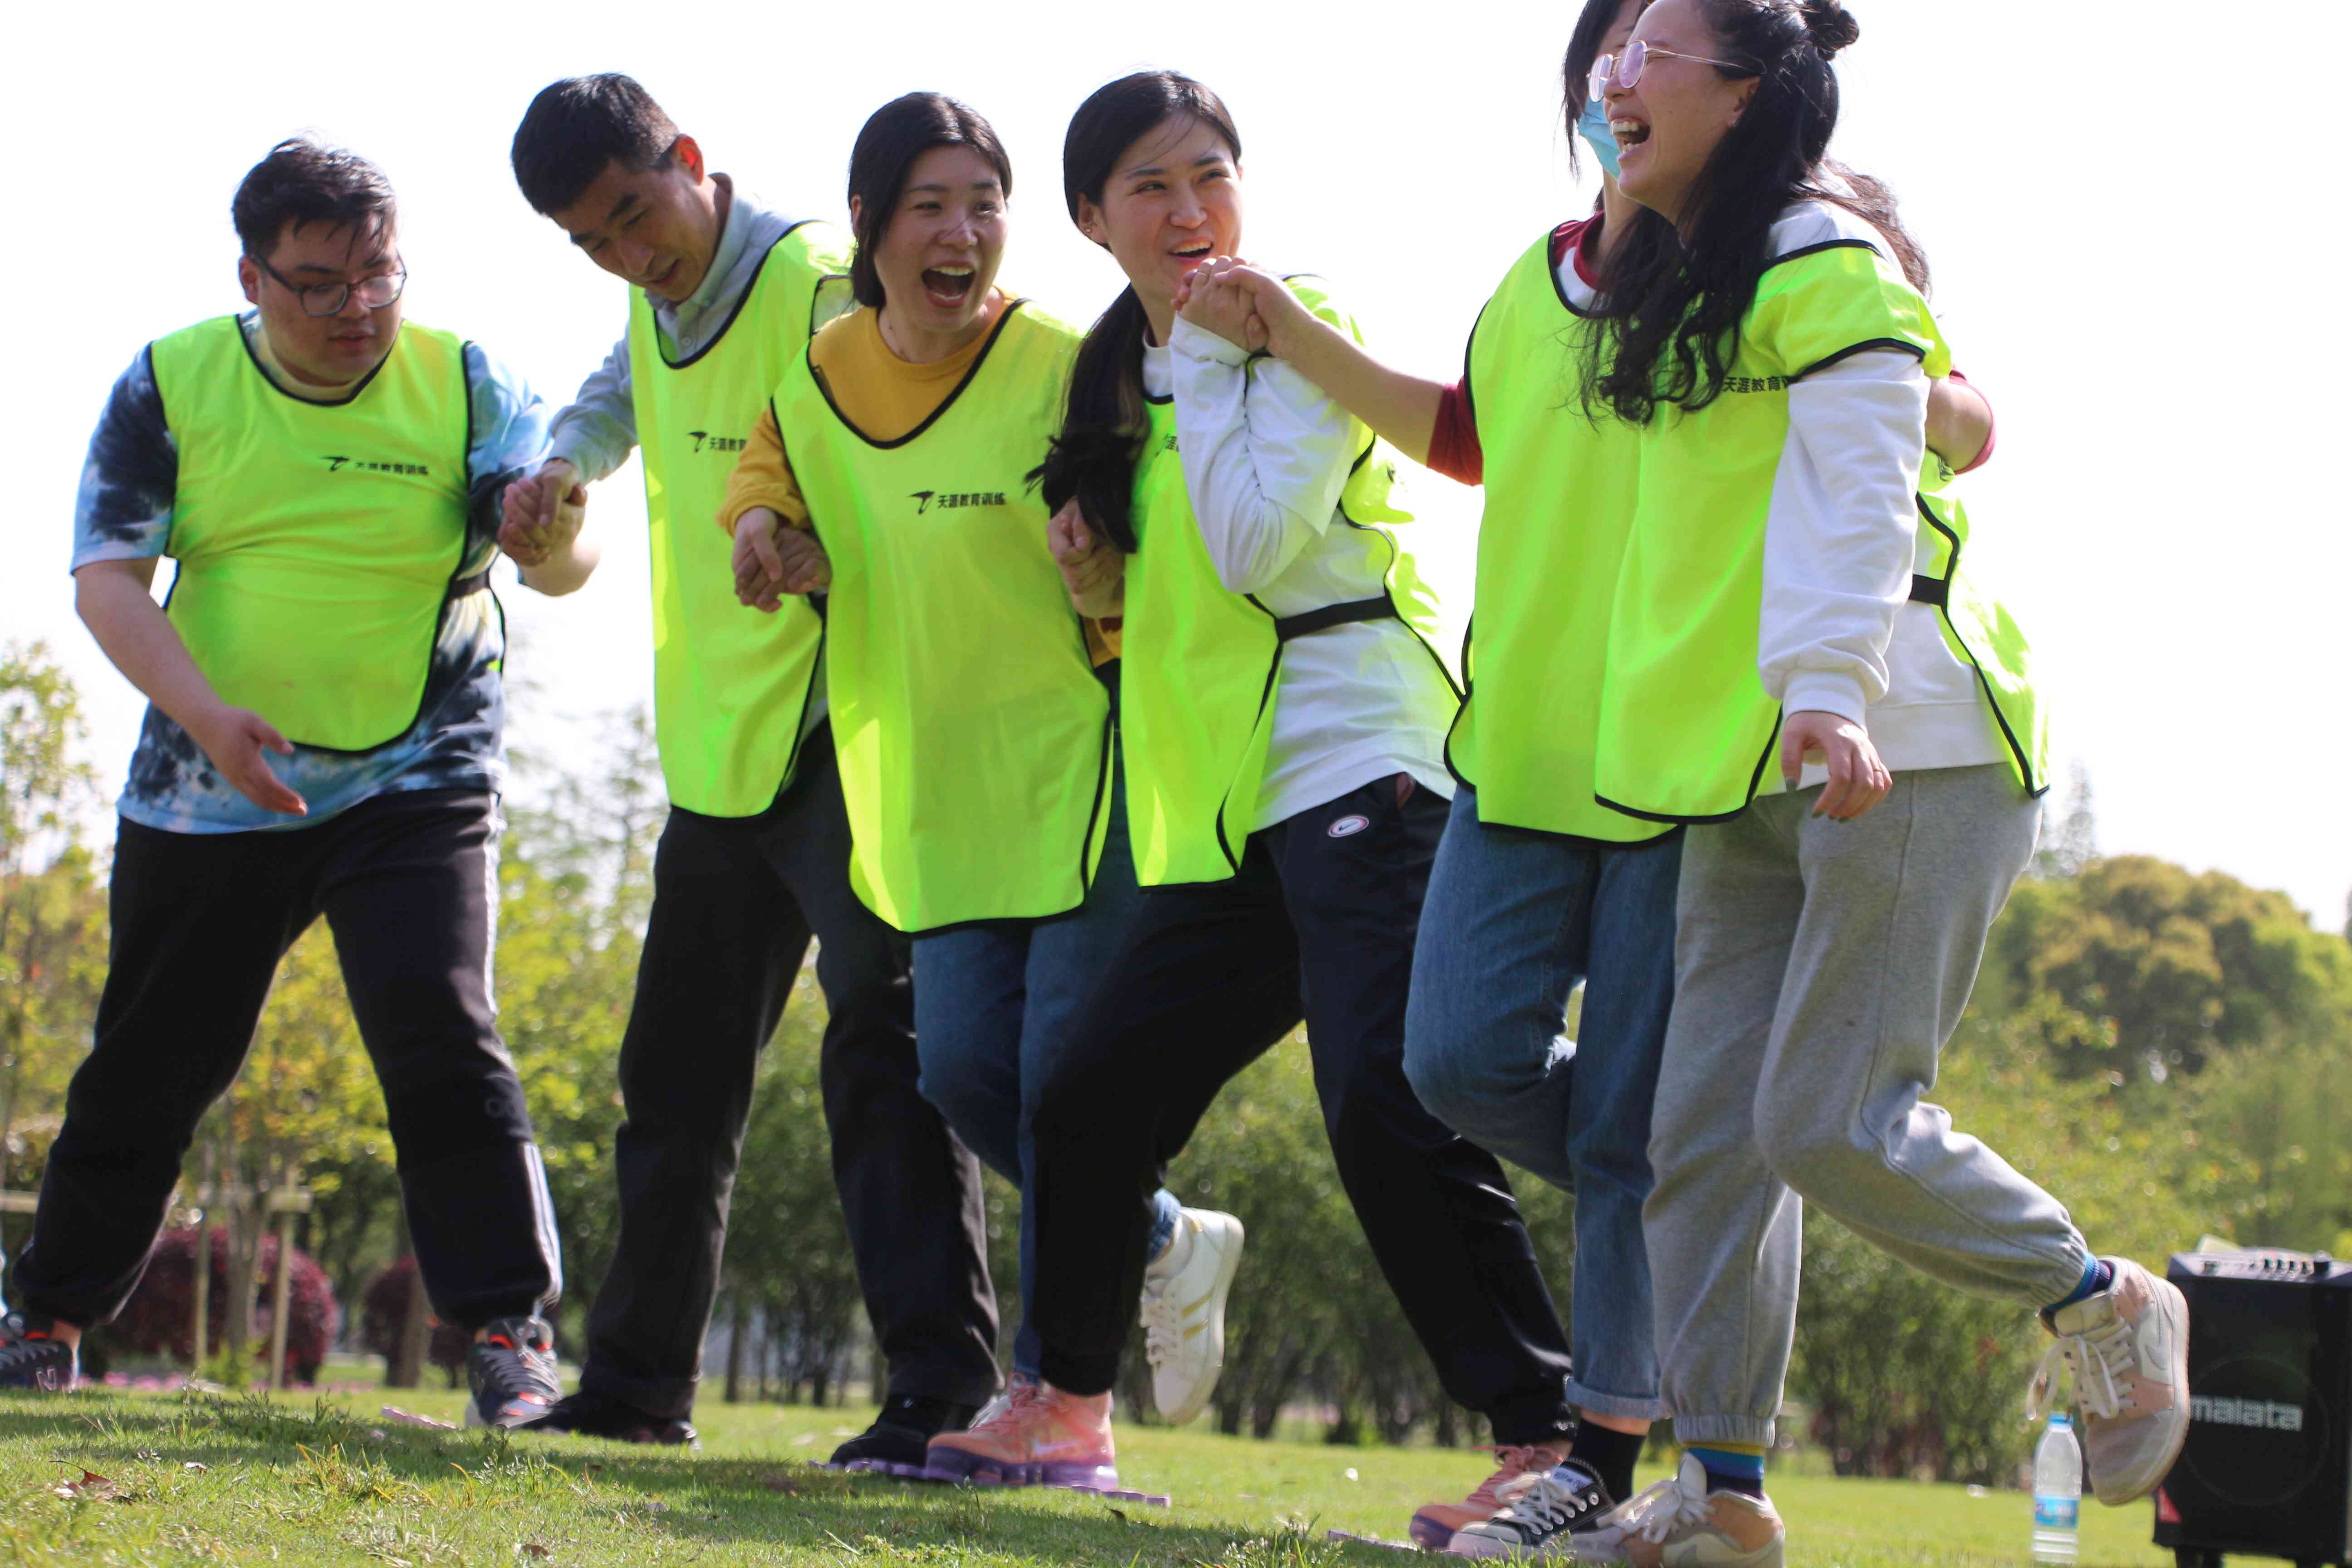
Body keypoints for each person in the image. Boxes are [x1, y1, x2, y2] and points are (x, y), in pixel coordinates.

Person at [1225, 1, 2184, 1559]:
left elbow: (1867, 485)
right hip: (1731, 770)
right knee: (1688, 1138)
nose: (1613, 75)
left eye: (1655, 47)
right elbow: (1534, 464)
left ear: (1752, 96)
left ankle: (2103, 1296)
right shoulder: (1640, 300)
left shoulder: (1816, 258)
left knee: (1814, 1128)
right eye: (1607, 51)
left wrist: (1829, 675)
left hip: (1904, 743)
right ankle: (1717, 1493)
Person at [925, 73, 1580, 1528]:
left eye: (1211, 175)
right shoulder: (1129, 369)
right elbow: (1167, 604)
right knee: (1085, 1094)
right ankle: (1065, 1413)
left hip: (1368, 764)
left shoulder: (1284, 327)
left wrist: (1222, 353)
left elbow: (1249, 541)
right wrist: (1097, 565)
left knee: (1386, 1098)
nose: (1190, 210)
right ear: (1091, 219)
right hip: (1238, 812)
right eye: (1150, 187)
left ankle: (1551, 1440)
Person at [7, 138, 578, 1426]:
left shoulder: (467, 377)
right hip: (212, 777)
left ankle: (506, 1331)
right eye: (317, 284)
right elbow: (107, 578)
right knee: (154, 1056)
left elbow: (551, 554)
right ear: (251, 277)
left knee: (439, 1026)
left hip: (419, 766)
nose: (355, 310)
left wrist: (551, 536)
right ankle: (44, 1319)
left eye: (376, 275)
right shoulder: (172, 380)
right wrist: (206, 717)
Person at [719, 92, 1241, 1483]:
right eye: (931, 208)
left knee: (1066, 1081)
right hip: (934, 790)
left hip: (1080, 769)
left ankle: (1056, 1410)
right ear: (871, 231)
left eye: (985, 206)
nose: (963, 235)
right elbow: (769, 478)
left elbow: (1158, 557)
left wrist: (1102, 575)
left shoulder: (1073, 363)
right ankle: (1160, 1239)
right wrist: (768, 532)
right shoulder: (820, 371)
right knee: (959, 1073)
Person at [503, 75, 1001, 1463]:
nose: (627, 253)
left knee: (884, 1055)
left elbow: (900, 422)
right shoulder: (653, 294)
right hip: (725, 748)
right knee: (673, 1077)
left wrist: (796, 527)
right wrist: (562, 464)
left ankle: (940, 1393)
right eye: (591, 242)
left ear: (690, 161)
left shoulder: (812, 276)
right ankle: (636, 1386)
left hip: (847, 722)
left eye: (633, 215)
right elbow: (621, 385)